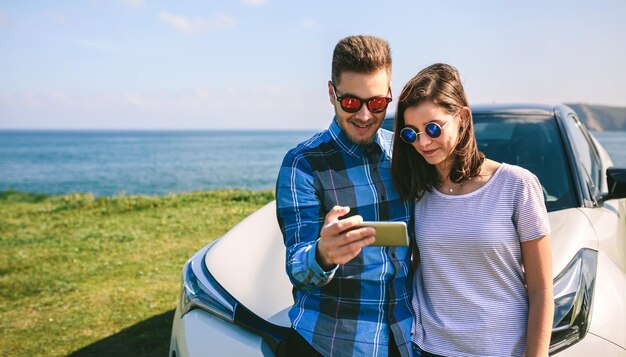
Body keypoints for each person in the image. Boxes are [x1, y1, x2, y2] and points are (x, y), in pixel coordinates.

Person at [391, 63, 554, 357]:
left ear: (463, 118)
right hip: (430, 349)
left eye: (432, 128)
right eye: (411, 134)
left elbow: (542, 291)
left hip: (503, 350)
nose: (423, 142)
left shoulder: (517, 185)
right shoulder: (417, 192)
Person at [276, 35, 414, 357]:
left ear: (389, 94)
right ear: (331, 93)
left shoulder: (407, 154)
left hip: (406, 339)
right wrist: (323, 254)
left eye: (377, 103)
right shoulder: (302, 164)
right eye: (351, 102)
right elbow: (297, 265)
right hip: (329, 344)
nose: (365, 115)